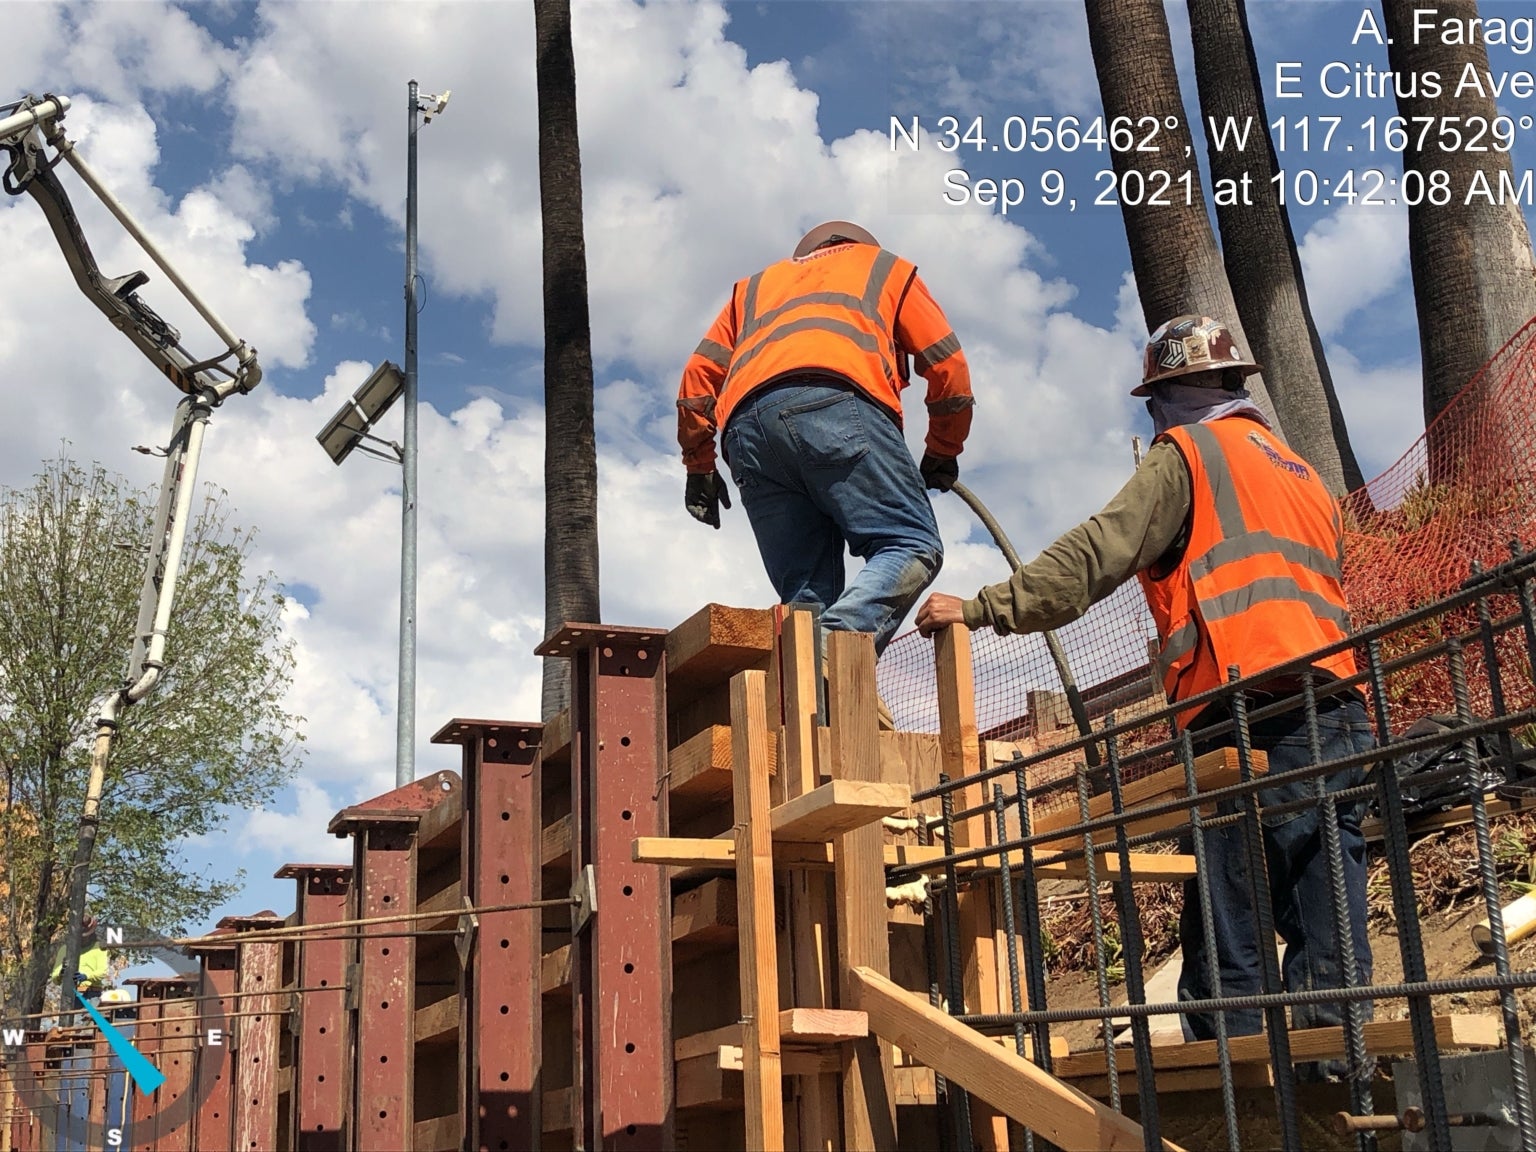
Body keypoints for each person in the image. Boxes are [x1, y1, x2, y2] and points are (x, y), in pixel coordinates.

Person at [915, 314, 1373, 1049]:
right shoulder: (1301, 473)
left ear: (1173, 390)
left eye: (1157, 398)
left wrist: (980, 609)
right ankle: (1341, 1055)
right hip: (1338, 697)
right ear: (1233, 382)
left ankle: (1240, 1073)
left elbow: (1098, 554)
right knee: (1325, 891)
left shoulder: (1187, 454)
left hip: (1242, 705)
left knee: (1233, 902)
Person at [676, 221, 975, 683]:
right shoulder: (884, 268)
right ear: (857, 246)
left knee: (805, 594)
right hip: (835, 402)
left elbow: (698, 377)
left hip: (747, 435)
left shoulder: (752, 290)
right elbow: (947, 366)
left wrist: (700, 466)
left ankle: (809, 704)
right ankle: (832, 645)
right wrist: (942, 449)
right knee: (911, 542)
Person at [49, 913, 112, 1005]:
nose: (83, 939)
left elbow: (103, 972)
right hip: (70, 995)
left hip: (92, 995)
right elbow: (55, 977)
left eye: (85, 936)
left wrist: (86, 976)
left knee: (88, 1019)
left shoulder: (99, 948)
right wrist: (61, 973)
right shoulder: (65, 949)